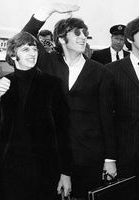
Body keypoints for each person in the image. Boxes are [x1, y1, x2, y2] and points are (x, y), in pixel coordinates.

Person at [22, 3, 117, 199]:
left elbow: (107, 117)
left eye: (85, 33)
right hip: (53, 154)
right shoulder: (48, 63)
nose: (83, 37)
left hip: (89, 155)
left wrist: (110, 158)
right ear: (62, 39)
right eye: (77, 33)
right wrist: (49, 10)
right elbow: (25, 36)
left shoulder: (101, 72)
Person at [0, 31, 72, 200]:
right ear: (13, 54)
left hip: (44, 169)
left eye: (34, 49)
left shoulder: (52, 84)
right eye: (25, 49)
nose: (32, 53)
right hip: (8, 168)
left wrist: (66, 172)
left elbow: (64, 131)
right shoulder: (3, 83)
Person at [105, 17, 139, 200]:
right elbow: (106, 117)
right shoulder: (111, 70)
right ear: (130, 39)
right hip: (126, 153)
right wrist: (109, 158)